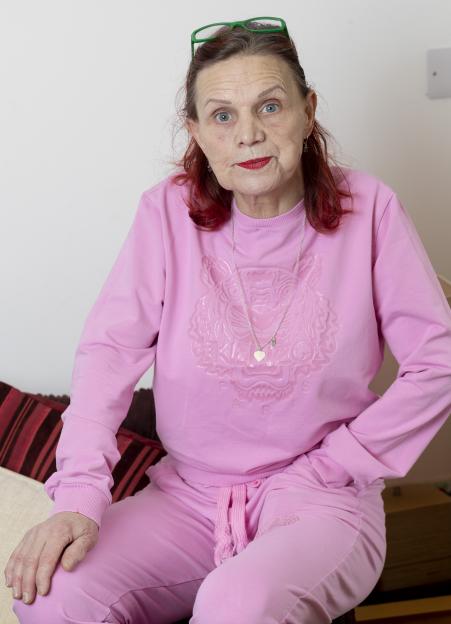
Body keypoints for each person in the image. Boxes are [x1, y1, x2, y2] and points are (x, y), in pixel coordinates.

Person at [7, 16, 451, 624]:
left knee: (236, 604)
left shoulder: (369, 209)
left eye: (270, 106)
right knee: (55, 594)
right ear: (195, 131)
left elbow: (439, 359)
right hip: (187, 498)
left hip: (321, 498)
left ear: (307, 110)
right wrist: (81, 496)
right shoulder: (166, 213)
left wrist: (340, 461)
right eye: (222, 115)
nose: (249, 135)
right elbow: (109, 352)